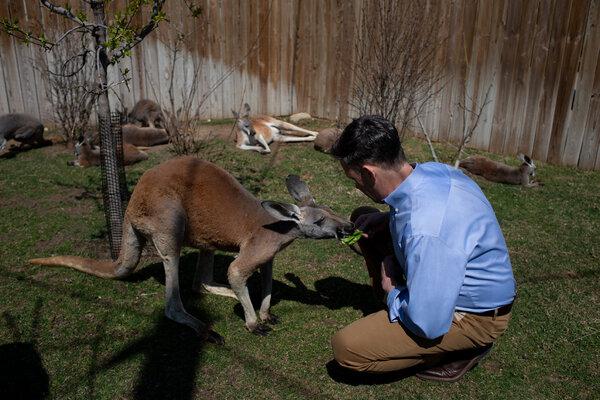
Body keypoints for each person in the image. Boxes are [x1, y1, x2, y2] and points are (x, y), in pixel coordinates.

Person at [329, 115, 516, 382]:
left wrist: (393, 291)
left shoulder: (426, 229)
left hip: (474, 316)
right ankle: (397, 315)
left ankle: (461, 348)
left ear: (369, 173)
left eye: (355, 179)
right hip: (465, 283)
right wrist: (384, 220)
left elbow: (428, 323)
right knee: (364, 217)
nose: (356, 186)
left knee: (347, 349)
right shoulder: (435, 171)